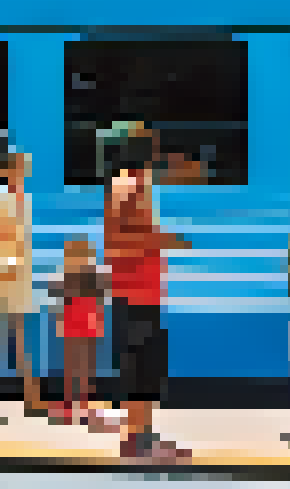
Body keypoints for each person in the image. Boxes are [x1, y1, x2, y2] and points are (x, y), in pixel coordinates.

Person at [107, 123, 193, 461]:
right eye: (153, 147)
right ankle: (137, 441)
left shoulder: (133, 185)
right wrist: (164, 240)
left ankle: (143, 435)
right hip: (135, 293)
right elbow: (116, 244)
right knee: (140, 368)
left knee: (146, 367)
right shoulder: (129, 187)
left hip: (142, 292)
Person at [0, 149, 43, 424]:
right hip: (0, 277)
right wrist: (3, 263)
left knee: (21, 341)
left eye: (23, 168)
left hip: (18, 279)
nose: (21, 173)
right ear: (6, 171)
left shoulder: (24, 200)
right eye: (17, 168)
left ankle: (32, 401)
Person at [54, 238, 113, 431]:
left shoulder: (93, 277)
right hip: (75, 328)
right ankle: (69, 407)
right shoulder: (67, 277)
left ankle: (85, 408)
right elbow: (62, 304)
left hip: (87, 329)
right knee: (72, 370)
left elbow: (101, 300)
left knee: (85, 371)